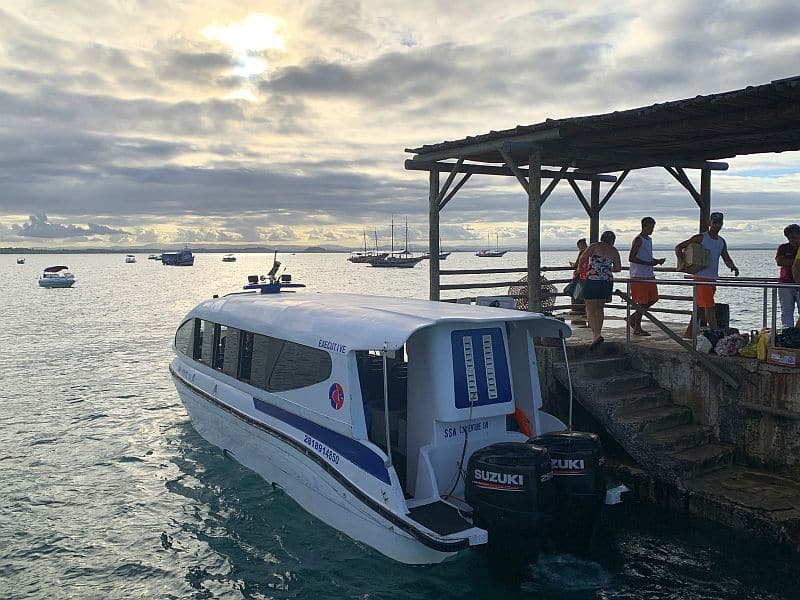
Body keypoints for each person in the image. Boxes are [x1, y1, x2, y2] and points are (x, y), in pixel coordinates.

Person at [675, 212, 739, 338]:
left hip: (712, 278)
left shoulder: (721, 241)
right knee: (709, 307)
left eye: (719, 223)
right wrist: (682, 262)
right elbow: (679, 247)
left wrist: (732, 266)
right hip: (701, 278)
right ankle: (716, 333)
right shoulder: (701, 238)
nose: (716, 225)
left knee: (699, 307)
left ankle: (689, 333)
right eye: (714, 222)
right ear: (710, 223)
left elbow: (725, 257)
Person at [576, 231, 621, 349]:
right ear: (613, 240)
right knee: (600, 308)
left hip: (593, 279)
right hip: (607, 281)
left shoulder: (595, 246)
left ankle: (596, 335)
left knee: (590, 309)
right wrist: (606, 267)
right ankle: (598, 332)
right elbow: (617, 268)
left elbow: (583, 258)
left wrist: (580, 268)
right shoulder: (614, 251)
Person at [628, 217, 666, 336]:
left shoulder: (649, 240)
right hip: (639, 276)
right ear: (645, 226)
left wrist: (656, 261)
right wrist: (649, 263)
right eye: (651, 227)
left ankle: (633, 318)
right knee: (642, 302)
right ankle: (637, 327)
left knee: (653, 299)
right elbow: (632, 257)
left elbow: (646, 257)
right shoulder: (638, 240)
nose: (652, 230)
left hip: (649, 275)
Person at [776, 224, 800, 330]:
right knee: (786, 311)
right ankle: (788, 332)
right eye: (790, 238)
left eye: (794, 237)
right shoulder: (783, 248)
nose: (792, 241)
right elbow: (779, 261)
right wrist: (796, 262)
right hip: (786, 283)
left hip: (798, 283)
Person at [569, 238, 588, 324]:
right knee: (586, 296)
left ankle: (579, 310)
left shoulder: (582, 252)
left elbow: (577, 264)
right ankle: (585, 310)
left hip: (582, 277)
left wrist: (572, 265)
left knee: (578, 294)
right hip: (589, 277)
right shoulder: (590, 251)